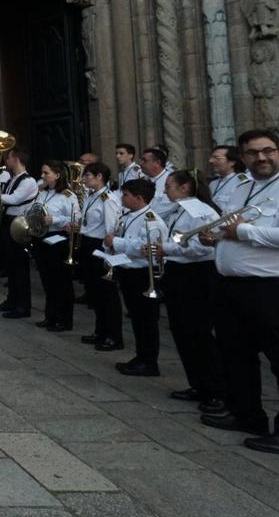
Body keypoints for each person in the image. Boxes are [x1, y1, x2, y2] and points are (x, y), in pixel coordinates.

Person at [200, 129, 279, 455]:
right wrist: (215, 235)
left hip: (278, 287)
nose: (262, 157)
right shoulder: (243, 186)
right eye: (253, 153)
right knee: (236, 355)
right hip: (236, 285)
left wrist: (243, 232)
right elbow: (228, 225)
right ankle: (246, 414)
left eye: (268, 150)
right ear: (242, 157)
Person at [158, 171, 225, 411]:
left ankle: (216, 390)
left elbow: (202, 248)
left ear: (185, 187)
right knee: (181, 331)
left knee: (199, 332)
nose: (165, 190)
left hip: (197, 274)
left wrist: (166, 249)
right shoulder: (179, 210)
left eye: (169, 186)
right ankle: (197, 383)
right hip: (178, 271)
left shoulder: (201, 211)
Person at [104, 178, 168, 376]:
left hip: (143, 274)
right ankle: (141, 357)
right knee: (137, 319)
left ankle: (148, 361)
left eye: (126, 195)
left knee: (145, 320)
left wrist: (116, 242)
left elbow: (144, 248)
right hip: (128, 270)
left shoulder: (151, 220)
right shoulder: (129, 215)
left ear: (139, 198)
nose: (122, 198)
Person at [0, 147, 38, 318]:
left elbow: (14, 199)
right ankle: (11, 300)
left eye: (8, 158)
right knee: (11, 265)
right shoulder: (13, 179)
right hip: (8, 222)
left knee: (19, 267)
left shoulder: (28, 181)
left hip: (18, 224)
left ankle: (22, 306)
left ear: (16, 159)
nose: (6, 161)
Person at [29, 161, 80, 332]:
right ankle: (50, 316)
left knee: (61, 281)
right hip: (42, 237)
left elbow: (76, 219)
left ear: (57, 175)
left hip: (58, 239)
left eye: (46, 173)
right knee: (47, 280)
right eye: (42, 173)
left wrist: (55, 220)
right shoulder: (42, 192)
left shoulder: (67, 195)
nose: (42, 176)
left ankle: (64, 319)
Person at [77, 163, 122, 351]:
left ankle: (113, 335)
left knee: (107, 293)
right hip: (88, 243)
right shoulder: (91, 196)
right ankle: (100, 330)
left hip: (100, 246)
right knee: (95, 292)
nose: (84, 179)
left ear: (100, 177)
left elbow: (111, 227)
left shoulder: (107, 199)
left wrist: (108, 254)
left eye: (88, 175)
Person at [208, 145, 249, 212]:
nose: (211, 161)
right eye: (211, 158)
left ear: (232, 162)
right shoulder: (213, 183)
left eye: (217, 158)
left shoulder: (242, 181)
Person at [139, 147, 174, 217]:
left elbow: (163, 210)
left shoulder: (171, 182)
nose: (140, 164)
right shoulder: (143, 180)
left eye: (144, 161)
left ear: (157, 163)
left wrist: (139, 217)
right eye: (141, 160)